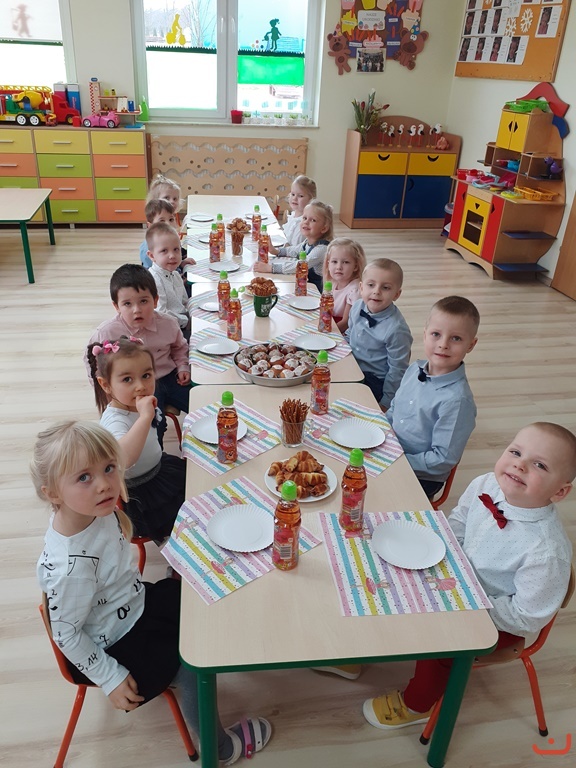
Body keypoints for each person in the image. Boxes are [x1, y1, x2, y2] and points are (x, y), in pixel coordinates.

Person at [33, 420, 272, 764]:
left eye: (109, 468)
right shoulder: (70, 569)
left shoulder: (89, 510)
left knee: (198, 600)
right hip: (114, 644)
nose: (104, 484)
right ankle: (219, 748)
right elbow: (66, 635)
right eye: (84, 477)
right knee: (193, 668)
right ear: (53, 493)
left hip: (134, 604)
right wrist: (110, 677)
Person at [363, 422, 575, 729]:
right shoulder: (486, 483)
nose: (520, 465)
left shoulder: (546, 551)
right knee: (387, 578)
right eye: (516, 452)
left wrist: (464, 601)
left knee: (442, 640)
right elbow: (459, 522)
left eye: (540, 465)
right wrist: (444, 559)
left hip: (495, 617)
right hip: (456, 578)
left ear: (560, 491)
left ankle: (417, 704)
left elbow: (526, 617)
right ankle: (363, 649)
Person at [86, 337, 185, 541]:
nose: (141, 386)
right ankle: (175, 547)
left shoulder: (141, 404)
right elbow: (123, 458)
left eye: (146, 375)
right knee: (179, 521)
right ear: (106, 385)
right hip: (140, 493)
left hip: (159, 470)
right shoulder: (114, 420)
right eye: (127, 379)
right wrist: (145, 417)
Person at [85, 264, 191, 443]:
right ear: (116, 306)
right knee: (153, 427)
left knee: (201, 404)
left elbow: (179, 347)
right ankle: (156, 457)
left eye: (143, 301)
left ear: (155, 300)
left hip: (170, 377)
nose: (137, 309)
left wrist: (183, 366)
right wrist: (111, 392)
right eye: (127, 304)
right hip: (136, 385)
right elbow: (93, 366)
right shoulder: (106, 333)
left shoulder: (168, 323)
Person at [387, 296, 479, 499]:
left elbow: (443, 459)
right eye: (436, 334)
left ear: (471, 345)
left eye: (456, 338)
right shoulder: (414, 368)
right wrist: (380, 434)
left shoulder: (457, 401)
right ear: (425, 335)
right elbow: (394, 408)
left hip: (421, 474)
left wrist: (396, 461)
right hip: (392, 451)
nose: (443, 344)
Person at [346, 259, 412, 410]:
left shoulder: (397, 329)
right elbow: (349, 334)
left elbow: (397, 370)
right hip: (352, 365)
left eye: (386, 287)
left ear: (396, 294)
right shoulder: (357, 307)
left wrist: (386, 402)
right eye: (371, 285)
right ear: (361, 288)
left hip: (374, 381)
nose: (376, 291)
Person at [254, 200, 333, 293]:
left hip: (316, 291)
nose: (306, 222)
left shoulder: (322, 249)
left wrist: (270, 268)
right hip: (303, 285)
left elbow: (299, 266)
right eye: (304, 218)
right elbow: (294, 250)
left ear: (324, 228)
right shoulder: (308, 241)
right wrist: (276, 251)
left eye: (313, 220)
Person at [146, 222, 191, 340]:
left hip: (181, 322)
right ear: (152, 256)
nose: (172, 255)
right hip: (167, 331)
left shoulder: (175, 274)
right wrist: (186, 322)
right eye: (164, 251)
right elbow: (161, 314)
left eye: (176, 249)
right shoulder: (154, 280)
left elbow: (184, 302)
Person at [323, 238, 366, 334]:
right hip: (331, 323)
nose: (339, 267)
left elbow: (346, 323)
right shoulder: (333, 282)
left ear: (355, 266)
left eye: (346, 262)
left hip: (343, 332)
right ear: (328, 263)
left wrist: (326, 332)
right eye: (334, 262)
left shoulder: (354, 290)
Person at [280, 174, 317, 247]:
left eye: (300, 196)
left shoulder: (304, 224)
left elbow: (296, 249)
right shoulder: (293, 215)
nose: (294, 198)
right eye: (293, 194)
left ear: (311, 199)